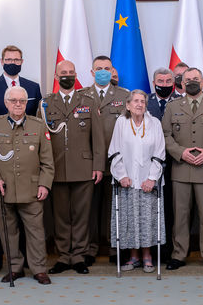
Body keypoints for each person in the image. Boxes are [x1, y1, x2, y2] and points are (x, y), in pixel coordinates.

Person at [0, 86, 55, 285]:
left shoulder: (38, 126)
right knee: (8, 232)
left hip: (32, 190)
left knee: (36, 232)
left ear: (26, 102)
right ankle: (15, 268)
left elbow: (48, 161)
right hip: (3, 189)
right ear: (6, 103)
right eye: (13, 101)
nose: (18, 104)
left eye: (22, 100)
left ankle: (39, 269)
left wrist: (45, 185)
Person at [38, 60, 105, 275]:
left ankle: (79, 256)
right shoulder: (46, 104)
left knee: (82, 214)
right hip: (55, 168)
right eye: (63, 73)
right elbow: (42, 138)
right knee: (60, 216)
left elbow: (98, 137)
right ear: (56, 77)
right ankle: (63, 256)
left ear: (76, 75)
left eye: (71, 72)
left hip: (84, 167)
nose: (67, 76)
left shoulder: (89, 101)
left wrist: (98, 166)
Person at [0, 45, 42, 272]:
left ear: (22, 61)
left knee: (28, 222)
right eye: (8, 59)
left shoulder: (33, 87)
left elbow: (37, 121)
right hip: (1, 159)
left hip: (26, 158)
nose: (12, 62)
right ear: (1, 60)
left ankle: (28, 262)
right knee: (1, 220)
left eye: (16, 59)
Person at [163, 67, 203, 271]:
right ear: (181, 83)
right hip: (180, 169)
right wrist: (180, 152)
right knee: (180, 216)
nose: (191, 82)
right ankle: (179, 254)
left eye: (195, 79)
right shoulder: (173, 107)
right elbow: (164, 135)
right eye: (187, 79)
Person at [108, 90, 167, 273]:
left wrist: (151, 178)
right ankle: (133, 257)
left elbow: (160, 152)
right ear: (128, 105)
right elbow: (115, 151)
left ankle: (148, 256)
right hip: (127, 181)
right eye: (135, 101)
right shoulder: (121, 123)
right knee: (129, 220)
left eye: (142, 101)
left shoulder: (154, 123)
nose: (139, 104)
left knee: (148, 220)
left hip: (149, 183)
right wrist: (121, 175)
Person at [81, 55, 128, 265]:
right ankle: (89, 248)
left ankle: (113, 247)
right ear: (92, 72)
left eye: (106, 68)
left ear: (112, 71)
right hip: (88, 162)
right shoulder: (81, 96)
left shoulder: (124, 96)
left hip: (116, 162)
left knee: (114, 206)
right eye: (98, 68)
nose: (102, 71)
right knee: (89, 208)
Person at [146, 67, 181, 258]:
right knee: (150, 208)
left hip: (175, 163)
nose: (164, 85)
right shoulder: (145, 102)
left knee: (172, 209)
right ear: (154, 83)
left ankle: (169, 250)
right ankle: (150, 249)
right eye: (161, 81)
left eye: (168, 82)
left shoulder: (181, 102)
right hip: (149, 165)